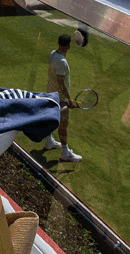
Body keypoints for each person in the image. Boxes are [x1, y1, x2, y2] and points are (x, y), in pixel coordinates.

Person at [42, 34, 83, 162]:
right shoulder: (62, 62)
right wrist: (69, 99)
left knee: (51, 119)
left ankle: (48, 141)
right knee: (63, 125)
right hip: (59, 98)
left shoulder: (52, 54)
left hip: (50, 94)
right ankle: (65, 153)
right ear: (69, 46)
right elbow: (61, 82)